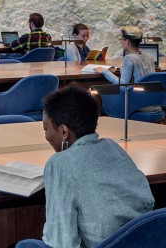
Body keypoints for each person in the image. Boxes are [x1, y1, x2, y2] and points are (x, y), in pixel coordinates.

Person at [39, 85, 153, 248]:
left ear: (64, 132)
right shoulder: (112, 147)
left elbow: (62, 241)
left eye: (46, 129)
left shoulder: (59, 164)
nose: (46, 136)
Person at [100, 26, 160, 112]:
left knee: (101, 93)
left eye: (122, 39)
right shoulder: (149, 57)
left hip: (137, 104)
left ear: (127, 41)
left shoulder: (128, 59)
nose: (121, 42)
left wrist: (105, 72)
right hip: (152, 103)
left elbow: (122, 85)